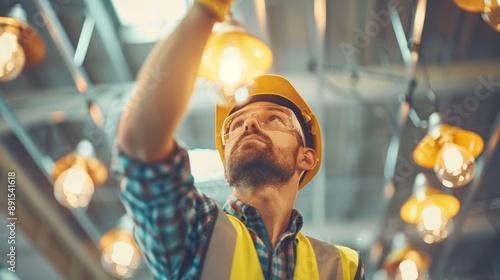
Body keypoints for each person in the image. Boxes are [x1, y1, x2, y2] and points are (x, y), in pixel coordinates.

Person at [113, 0, 366, 279]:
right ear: (225, 161)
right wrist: (205, 10)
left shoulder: (343, 268)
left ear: (306, 157)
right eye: (235, 125)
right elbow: (140, 145)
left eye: (275, 118)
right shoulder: (195, 232)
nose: (250, 124)